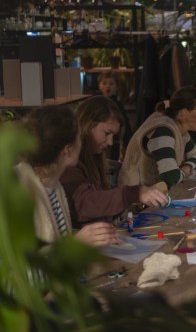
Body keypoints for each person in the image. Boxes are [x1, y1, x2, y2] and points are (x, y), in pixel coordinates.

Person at [15, 105, 120, 247]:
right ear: (67, 150)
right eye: (79, 138)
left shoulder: (54, 186)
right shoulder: (21, 190)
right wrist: (77, 241)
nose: (82, 143)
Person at [60, 96, 169, 228]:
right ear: (86, 125)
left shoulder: (93, 159)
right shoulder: (69, 163)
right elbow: (85, 204)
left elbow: (101, 208)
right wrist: (134, 193)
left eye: (113, 135)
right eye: (107, 133)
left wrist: (132, 203)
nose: (110, 142)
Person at [120, 86, 196, 189]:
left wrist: (186, 167)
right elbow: (171, 178)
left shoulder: (180, 130)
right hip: (135, 195)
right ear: (183, 113)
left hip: (153, 194)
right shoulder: (163, 131)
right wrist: (184, 171)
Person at [97, 71, 131, 161]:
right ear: (99, 86)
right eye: (104, 83)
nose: (107, 86)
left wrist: (127, 142)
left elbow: (125, 124)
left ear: (116, 87)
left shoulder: (118, 105)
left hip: (115, 141)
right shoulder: (97, 104)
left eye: (111, 84)